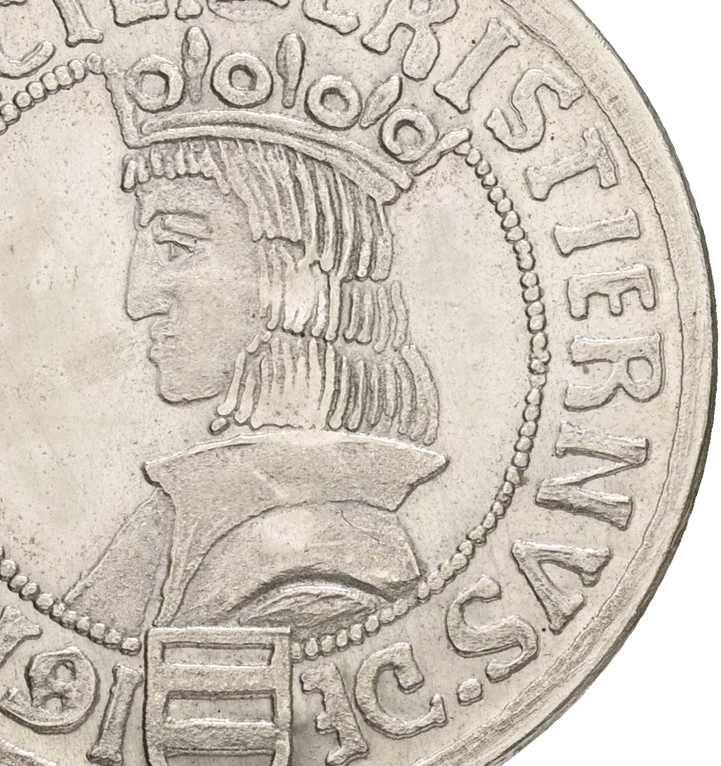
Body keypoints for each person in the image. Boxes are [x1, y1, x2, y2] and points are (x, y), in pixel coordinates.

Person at [63, 134, 447, 638]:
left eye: (177, 247)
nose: (139, 300)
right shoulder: (174, 520)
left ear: (293, 274)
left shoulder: (321, 573)